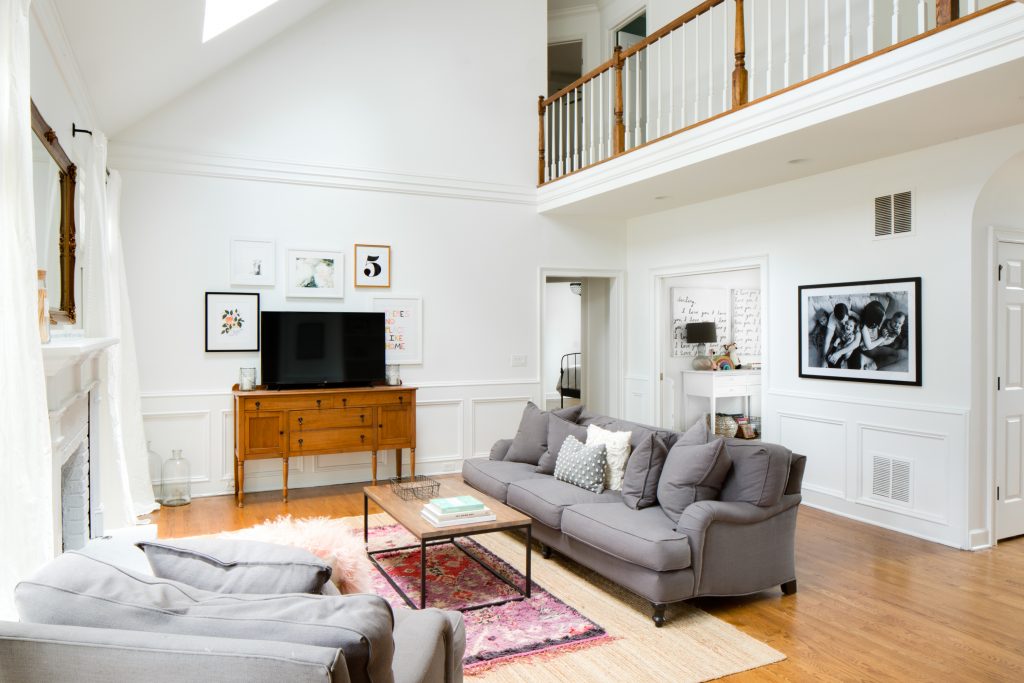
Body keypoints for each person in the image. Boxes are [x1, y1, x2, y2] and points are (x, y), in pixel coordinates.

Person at [859, 301, 906, 371]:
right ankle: (873, 365)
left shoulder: (873, 321)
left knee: (895, 345)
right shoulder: (864, 327)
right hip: (870, 347)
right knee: (895, 355)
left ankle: (879, 356)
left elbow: (889, 321)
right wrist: (883, 338)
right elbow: (869, 346)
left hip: (878, 340)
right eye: (882, 317)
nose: (884, 317)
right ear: (875, 319)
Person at [821, 303, 850, 368]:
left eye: (845, 321)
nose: (844, 324)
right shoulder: (832, 317)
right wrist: (823, 359)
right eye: (841, 322)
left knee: (847, 355)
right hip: (839, 340)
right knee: (829, 359)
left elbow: (857, 340)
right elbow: (827, 339)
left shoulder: (851, 315)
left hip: (849, 340)